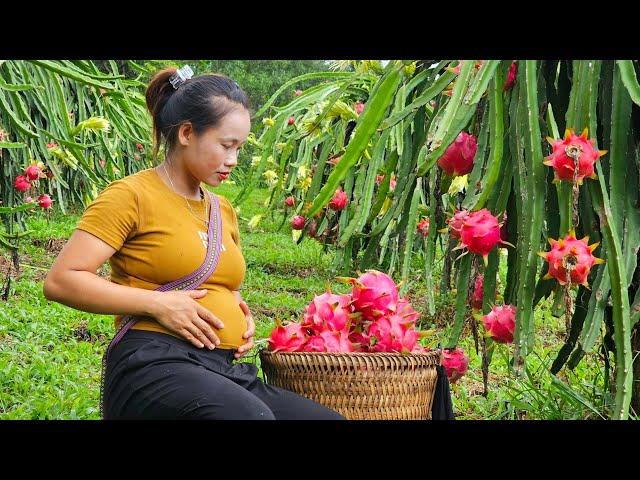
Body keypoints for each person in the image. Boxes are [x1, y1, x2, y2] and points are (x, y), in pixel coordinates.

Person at [43, 65, 344, 420]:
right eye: (225, 145)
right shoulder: (130, 196)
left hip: (223, 367)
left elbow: (213, 277)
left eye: (240, 148)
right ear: (187, 133)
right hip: (155, 361)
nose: (233, 160)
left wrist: (237, 309)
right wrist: (159, 305)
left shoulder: (222, 209)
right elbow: (62, 280)